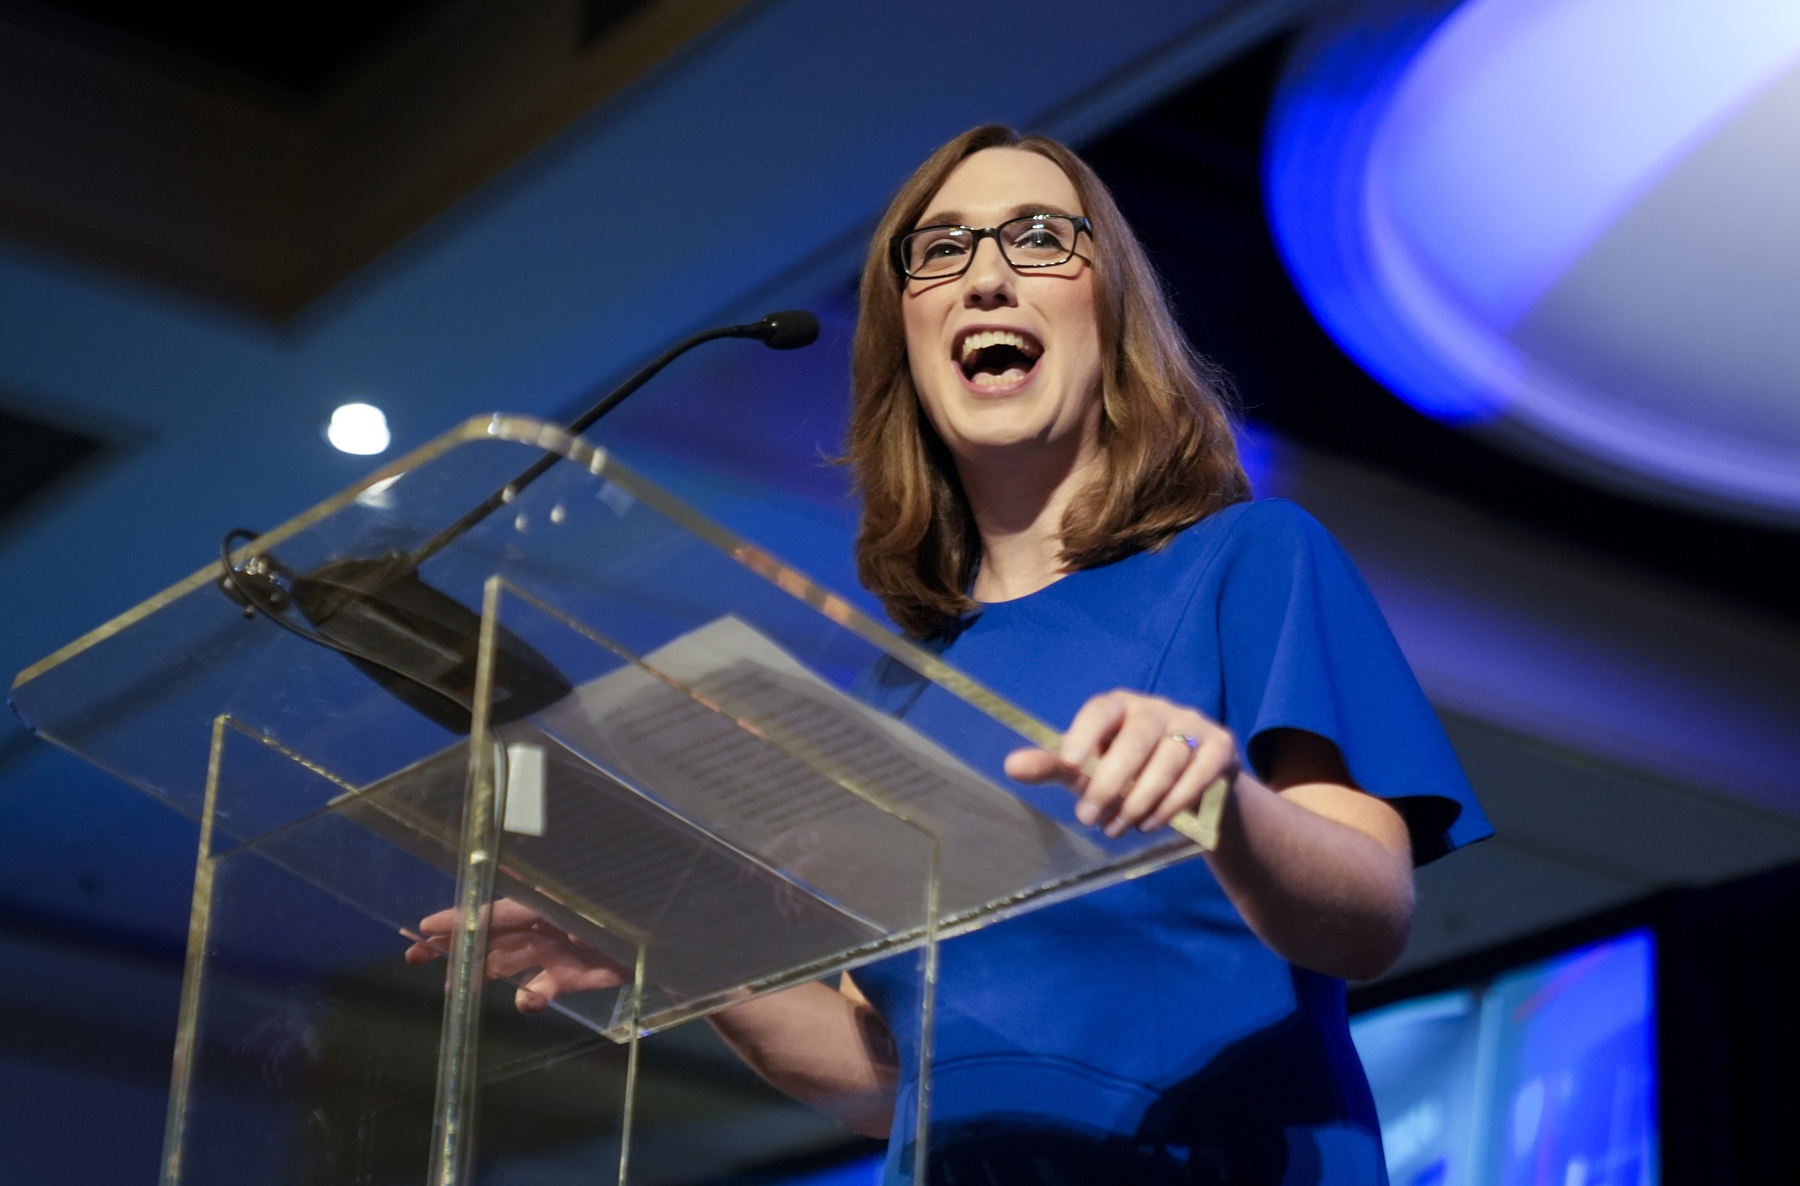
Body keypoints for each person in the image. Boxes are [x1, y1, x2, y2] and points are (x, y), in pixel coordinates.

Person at [411, 125, 1490, 1184]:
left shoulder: (1249, 562)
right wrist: (669, 950)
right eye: (942, 250)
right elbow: (889, 1078)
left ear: (1110, 314)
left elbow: (1368, 916)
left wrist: (1221, 802)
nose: (985, 279)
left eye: (1037, 239)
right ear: (906, 341)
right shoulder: (887, 691)